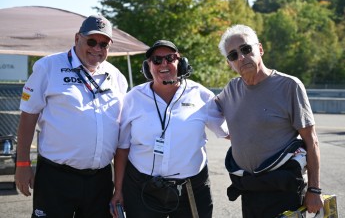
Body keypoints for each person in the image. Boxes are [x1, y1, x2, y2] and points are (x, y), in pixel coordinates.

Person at [14, 14, 128, 218]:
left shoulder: (116, 76)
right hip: (56, 177)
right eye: (91, 41)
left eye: (104, 44)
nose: (97, 49)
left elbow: (122, 130)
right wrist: (22, 164)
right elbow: (28, 116)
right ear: (77, 39)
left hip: (100, 180)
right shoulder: (48, 67)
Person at [110, 40, 229, 218]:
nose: (164, 64)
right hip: (142, 188)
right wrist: (118, 190)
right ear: (148, 66)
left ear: (180, 63)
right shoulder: (133, 98)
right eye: (157, 60)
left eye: (170, 58)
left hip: (190, 189)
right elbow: (123, 147)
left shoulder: (201, 95)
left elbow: (228, 132)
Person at [216, 24, 324, 217]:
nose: (241, 57)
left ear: (260, 49)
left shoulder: (289, 86)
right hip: (249, 188)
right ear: (229, 63)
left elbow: (311, 140)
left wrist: (314, 190)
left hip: (284, 189)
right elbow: (205, 111)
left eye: (246, 49)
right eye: (233, 55)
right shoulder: (231, 90)